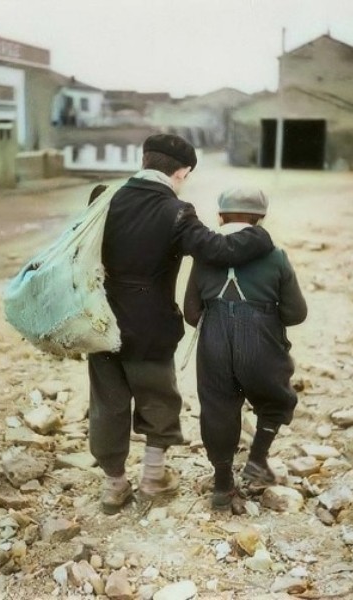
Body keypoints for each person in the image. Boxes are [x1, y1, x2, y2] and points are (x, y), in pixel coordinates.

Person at [88, 134, 276, 514]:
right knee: (157, 397)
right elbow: (218, 250)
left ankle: (113, 487)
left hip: (98, 318)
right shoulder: (176, 212)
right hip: (150, 324)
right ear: (181, 172)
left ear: (144, 161)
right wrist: (258, 236)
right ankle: (152, 478)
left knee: (106, 403)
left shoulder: (103, 196)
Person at [183, 186, 307, 511]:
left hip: (214, 340)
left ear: (221, 217)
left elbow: (191, 313)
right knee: (276, 399)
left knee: (218, 409)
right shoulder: (275, 256)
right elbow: (297, 313)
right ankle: (257, 459)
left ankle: (223, 486)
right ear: (260, 219)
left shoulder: (204, 255)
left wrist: (220, 322)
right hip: (261, 336)